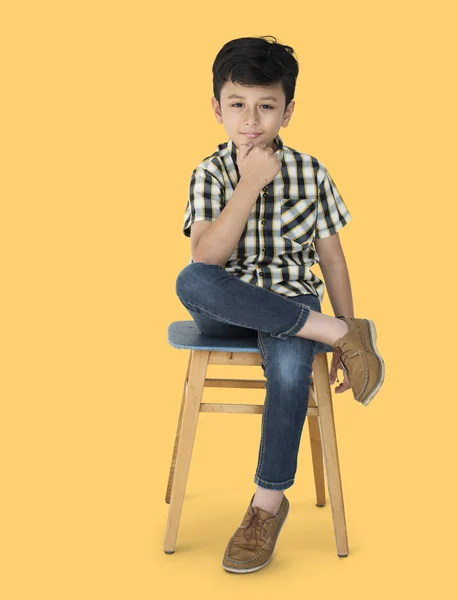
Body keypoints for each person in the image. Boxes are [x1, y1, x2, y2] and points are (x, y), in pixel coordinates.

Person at [175, 35, 385, 574]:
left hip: (291, 304)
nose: (251, 120)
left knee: (291, 366)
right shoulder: (210, 173)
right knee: (192, 278)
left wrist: (343, 311)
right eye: (238, 105)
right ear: (217, 107)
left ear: (287, 112)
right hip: (226, 304)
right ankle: (336, 333)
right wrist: (248, 186)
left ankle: (265, 506)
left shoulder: (311, 172)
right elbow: (208, 258)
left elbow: (333, 261)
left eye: (266, 106)